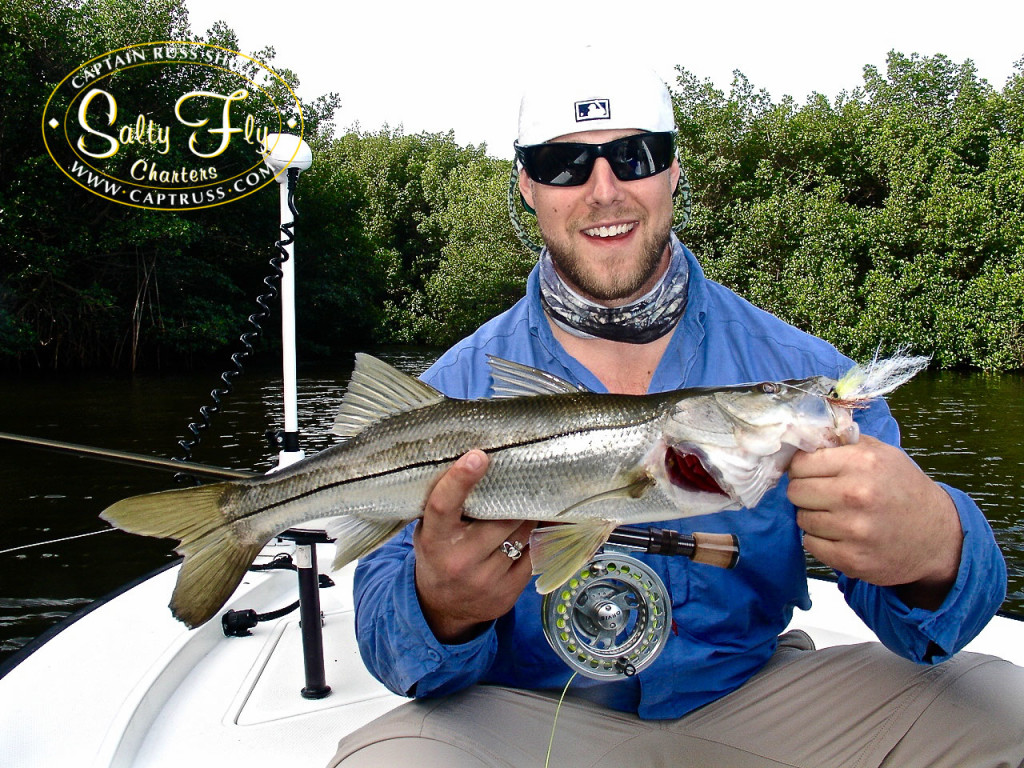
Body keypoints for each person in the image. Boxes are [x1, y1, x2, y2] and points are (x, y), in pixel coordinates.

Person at [329, 51, 1023, 767]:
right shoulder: (454, 391)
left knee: (1007, 714)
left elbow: (930, 628)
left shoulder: (798, 374)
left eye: (634, 157)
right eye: (565, 165)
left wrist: (936, 550)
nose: (604, 190)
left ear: (672, 171)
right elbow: (396, 654)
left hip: (755, 700)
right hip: (530, 717)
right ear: (528, 186)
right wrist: (441, 608)